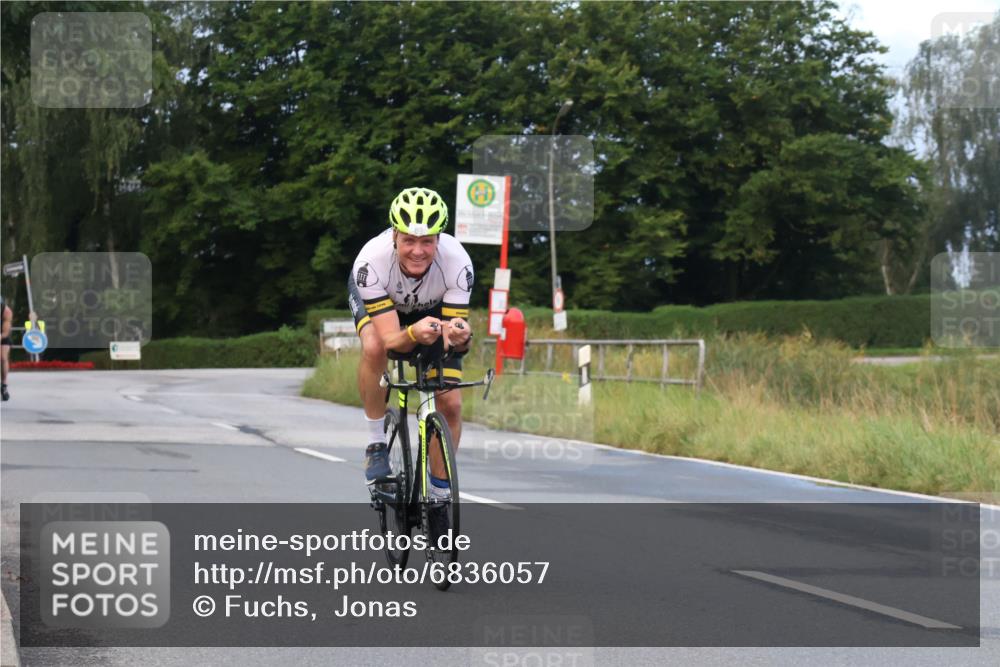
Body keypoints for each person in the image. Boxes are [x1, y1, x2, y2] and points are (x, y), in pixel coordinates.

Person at [348, 187, 474, 502]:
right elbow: (394, 342)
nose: (417, 251)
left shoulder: (458, 263)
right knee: (375, 345)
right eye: (409, 241)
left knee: (451, 404)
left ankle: (439, 496)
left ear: (439, 240)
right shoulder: (371, 263)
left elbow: (455, 336)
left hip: (430, 307)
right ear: (394, 237)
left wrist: (460, 337)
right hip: (384, 301)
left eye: (427, 241)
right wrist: (415, 334)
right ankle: (376, 445)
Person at [1, 295, 12, 401]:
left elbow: (4, 333)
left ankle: (4, 385)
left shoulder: (6, 311)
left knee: (3, 358)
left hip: (2, 335)